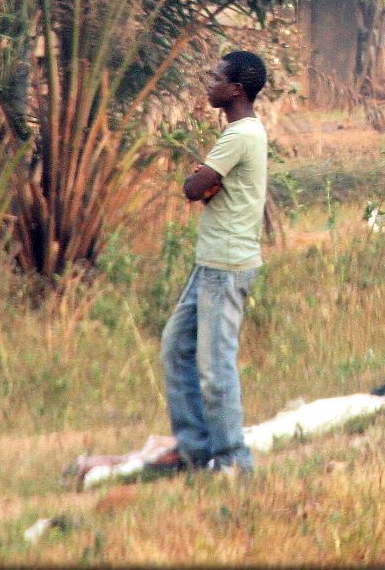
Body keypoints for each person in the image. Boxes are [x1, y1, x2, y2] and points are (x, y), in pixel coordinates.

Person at [161, 50, 269, 474]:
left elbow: (194, 187)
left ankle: (232, 460)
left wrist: (200, 179)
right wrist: (206, 180)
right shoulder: (242, 133)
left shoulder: (241, 135)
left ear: (236, 89)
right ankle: (194, 449)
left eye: (216, 77)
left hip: (226, 266)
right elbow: (207, 184)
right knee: (175, 349)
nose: (209, 83)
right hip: (211, 262)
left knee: (215, 366)